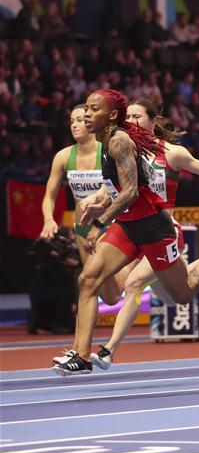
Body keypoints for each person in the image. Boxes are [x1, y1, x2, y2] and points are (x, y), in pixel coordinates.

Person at [51, 89, 199, 376]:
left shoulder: (149, 148)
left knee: (182, 294)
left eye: (93, 110)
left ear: (151, 120)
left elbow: (130, 191)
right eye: (85, 110)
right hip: (128, 224)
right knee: (88, 279)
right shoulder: (115, 141)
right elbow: (119, 184)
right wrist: (98, 200)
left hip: (157, 228)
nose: (87, 115)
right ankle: (83, 355)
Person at [39, 104, 123, 306]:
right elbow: (49, 195)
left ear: (92, 123)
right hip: (82, 229)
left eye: (80, 120)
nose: (74, 125)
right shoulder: (64, 156)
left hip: (109, 226)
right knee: (105, 295)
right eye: (71, 121)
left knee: (91, 283)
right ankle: (83, 338)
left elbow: (122, 187)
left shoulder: (108, 151)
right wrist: (49, 220)